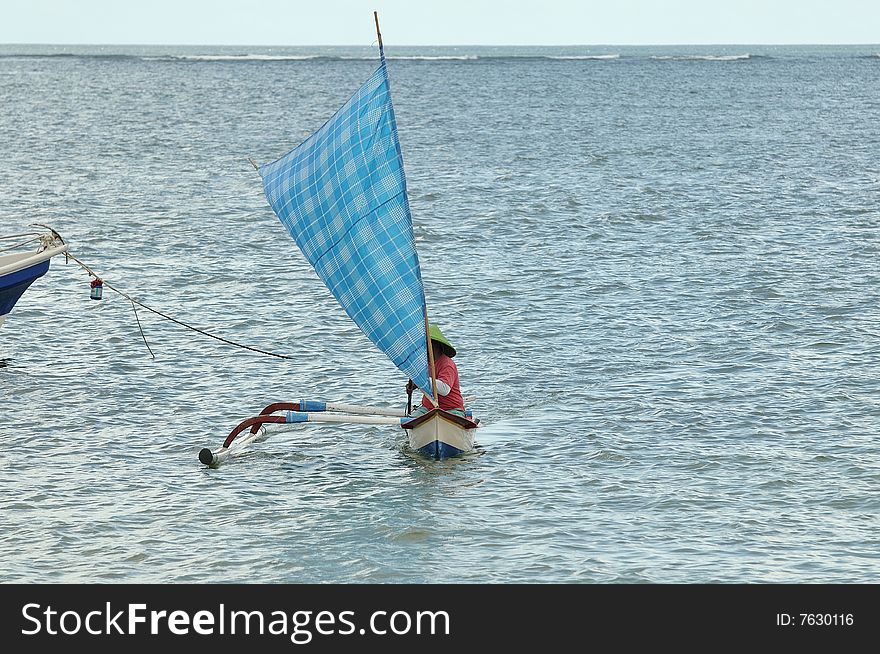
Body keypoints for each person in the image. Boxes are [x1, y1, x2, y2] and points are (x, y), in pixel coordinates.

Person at [406, 323, 465, 417]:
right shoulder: (424, 363)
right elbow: (424, 383)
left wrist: (422, 379)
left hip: (451, 409)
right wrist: (414, 385)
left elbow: (444, 389)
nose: (424, 350)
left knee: (453, 416)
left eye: (427, 346)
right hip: (427, 408)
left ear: (436, 346)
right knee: (411, 419)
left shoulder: (447, 364)